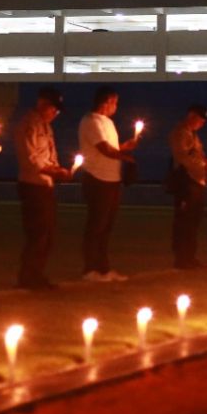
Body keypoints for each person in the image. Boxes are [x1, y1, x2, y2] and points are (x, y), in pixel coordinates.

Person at [77, 86, 137, 282]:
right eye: (114, 102)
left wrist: (124, 147)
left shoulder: (108, 123)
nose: (116, 106)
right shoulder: (91, 121)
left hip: (112, 179)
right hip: (97, 178)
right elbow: (104, 149)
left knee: (106, 227)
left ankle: (103, 268)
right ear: (105, 102)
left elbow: (112, 149)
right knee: (96, 225)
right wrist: (124, 156)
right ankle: (90, 269)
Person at [13, 87, 71, 290]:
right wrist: (55, 171)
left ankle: (36, 274)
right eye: (53, 108)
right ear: (43, 104)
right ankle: (28, 276)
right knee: (37, 233)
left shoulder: (46, 127)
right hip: (33, 185)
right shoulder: (29, 125)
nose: (55, 113)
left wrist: (59, 170)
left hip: (46, 185)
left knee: (47, 234)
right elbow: (32, 160)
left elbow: (49, 157)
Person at [168, 104, 207, 269]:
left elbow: (198, 156)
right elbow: (183, 156)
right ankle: (181, 258)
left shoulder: (194, 136)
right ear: (191, 115)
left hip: (197, 181)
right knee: (184, 221)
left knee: (194, 221)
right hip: (186, 182)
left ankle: (190, 256)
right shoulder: (180, 133)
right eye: (200, 119)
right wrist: (202, 165)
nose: (202, 123)